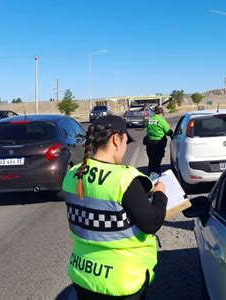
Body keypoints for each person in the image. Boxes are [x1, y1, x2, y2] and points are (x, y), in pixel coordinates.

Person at [63, 115, 168, 300]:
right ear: (116, 139)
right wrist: (160, 194)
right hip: (120, 281)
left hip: (82, 275)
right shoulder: (123, 179)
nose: (126, 147)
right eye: (126, 141)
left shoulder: (73, 174)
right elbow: (151, 223)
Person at [145, 106, 173, 175]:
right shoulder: (161, 120)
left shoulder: (149, 119)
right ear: (161, 113)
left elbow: (147, 126)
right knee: (157, 160)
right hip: (159, 143)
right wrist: (170, 131)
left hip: (149, 142)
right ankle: (157, 174)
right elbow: (168, 132)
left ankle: (150, 174)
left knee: (151, 159)